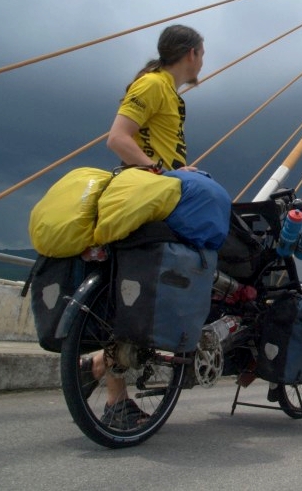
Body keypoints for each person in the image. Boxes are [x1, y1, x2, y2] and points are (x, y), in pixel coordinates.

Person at [81, 25, 205, 429]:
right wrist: (156, 171)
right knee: (136, 296)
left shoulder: (168, 91)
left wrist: (174, 170)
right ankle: (116, 398)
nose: (203, 61)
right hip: (142, 199)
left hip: (155, 197)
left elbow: (156, 146)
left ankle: (100, 364)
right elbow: (118, 138)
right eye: (202, 53)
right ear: (190, 53)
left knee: (147, 292)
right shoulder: (152, 84)